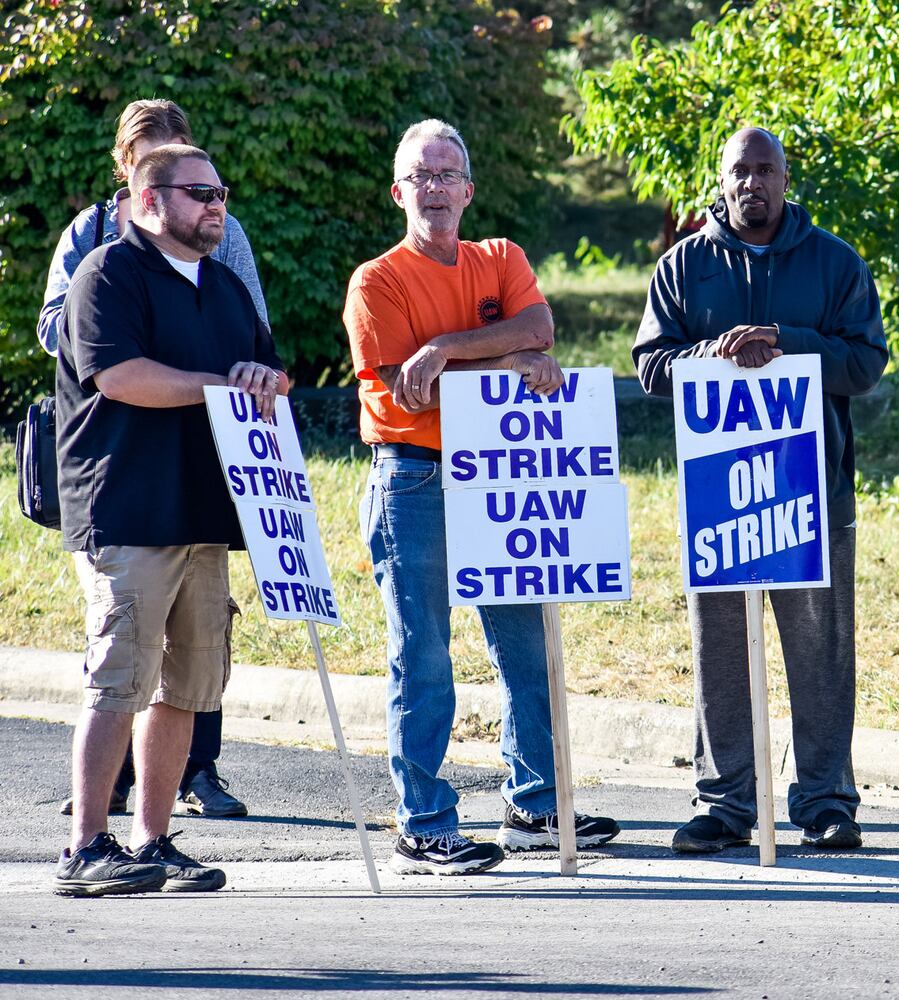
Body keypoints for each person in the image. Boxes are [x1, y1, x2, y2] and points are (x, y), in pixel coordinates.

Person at [343, 119, 620, 876]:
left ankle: (535, 804)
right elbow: (407, 384)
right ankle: (424, 823)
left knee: (528, 646)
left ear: (469, 189)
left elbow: (539, 325)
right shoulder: (377, 281)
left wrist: (447, 349)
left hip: (504, 471)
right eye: (420, 176)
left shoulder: (501, 258)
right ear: (399, 191)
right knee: (423, 654)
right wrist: (507, 358)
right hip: (415, 478)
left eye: (448, 174)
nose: (435, 188)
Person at [633, 127, 888, 853]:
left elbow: (867, 363)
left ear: (785, 177)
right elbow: (651, 366)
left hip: (813, 496)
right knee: (721, 656)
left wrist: (786, 340)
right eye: (740, 171)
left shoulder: (835, 262)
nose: (753, 183)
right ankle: (724, 805)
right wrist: (710, 353)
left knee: (821, 655)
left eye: (766, 170)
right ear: (721, 181)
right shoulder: (683, 266)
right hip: (719, 499)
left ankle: (826, 804)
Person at [52, 143, 287, 896]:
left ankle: (152, 841)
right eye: (198, 193)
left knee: (186, 688)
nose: (216, 205)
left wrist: (260, 378)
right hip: (128, 509)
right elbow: (122, 378)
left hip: (204, 514)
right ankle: (87, 847)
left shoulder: (224, 287)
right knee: (119, 679)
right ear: (149, 201)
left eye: (220, 191)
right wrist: (223, 383)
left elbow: (271, 376)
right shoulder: (107, 275)